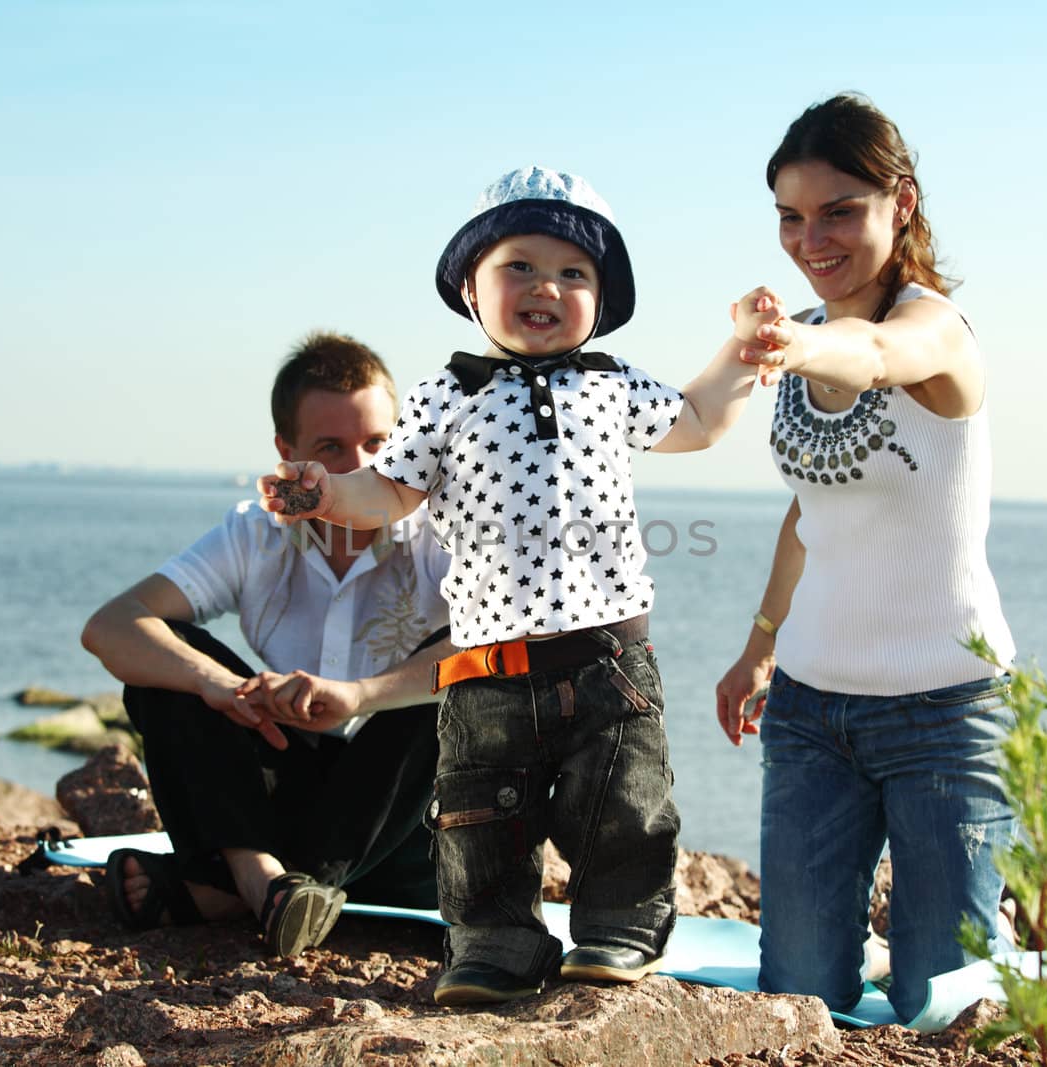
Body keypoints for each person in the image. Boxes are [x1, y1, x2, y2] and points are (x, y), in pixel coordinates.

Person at [260, 166, 774, 1005]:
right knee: (479, 813)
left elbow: (701, 416)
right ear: (471, 287)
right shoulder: (446, 397)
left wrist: (744, 350)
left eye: (574, 273)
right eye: (520, 266)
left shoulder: (611, 383)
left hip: (608, 653)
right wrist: (319, 492)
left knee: (622, 796)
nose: (548, 287)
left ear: (600, 298)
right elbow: (386, 492)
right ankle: (497, 941)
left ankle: (618, 926)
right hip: (488, 662)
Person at [713, 94, 1018, 1023]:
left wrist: (799, 342)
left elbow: (877, 351)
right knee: (797, 994)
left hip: (946, 712)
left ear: (903, 203)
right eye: (792, 217)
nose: (812, 238)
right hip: (810, 713)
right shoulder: (805, 339)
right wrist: (760, 641)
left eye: (840, 210)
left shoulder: (938, 332)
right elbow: (811, 512)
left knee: (943, 1005)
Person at [80, 330, 455, 957]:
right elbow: (112, 624)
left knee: (462, 678)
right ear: (287, 453)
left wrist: (359, 696)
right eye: (330, 448)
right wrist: (217, 685)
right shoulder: (257, 532)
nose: (358, 467)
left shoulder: (441, 528)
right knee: (169, 658)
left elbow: (511, 654)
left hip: (409, 823)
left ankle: (237, 892)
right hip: (292, 788)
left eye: (377, 444)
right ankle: (263, 879)